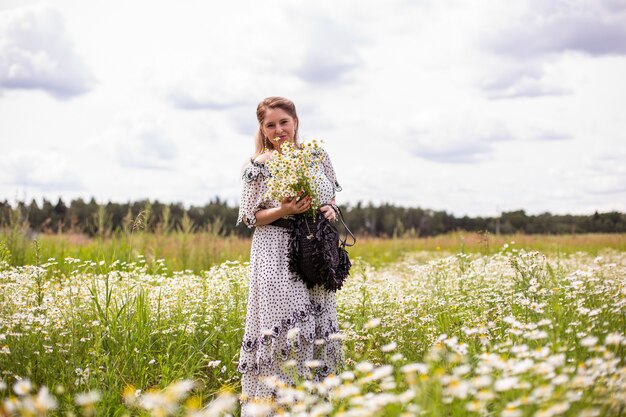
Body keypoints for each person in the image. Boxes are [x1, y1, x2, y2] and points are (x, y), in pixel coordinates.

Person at [236, 97, 344, 412]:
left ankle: (311, 404)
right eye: (271, 125)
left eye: (284, 122)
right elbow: (249, 218)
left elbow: (331, 198)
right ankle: (276, 405)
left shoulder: (316, 155)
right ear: (262, 128)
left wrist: (329, 208)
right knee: (280, 326)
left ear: (295, 121)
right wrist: (284, 208)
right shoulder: (256, 165)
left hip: (314, 250)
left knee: (314, 321)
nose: (279, 130)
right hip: (273, 250)